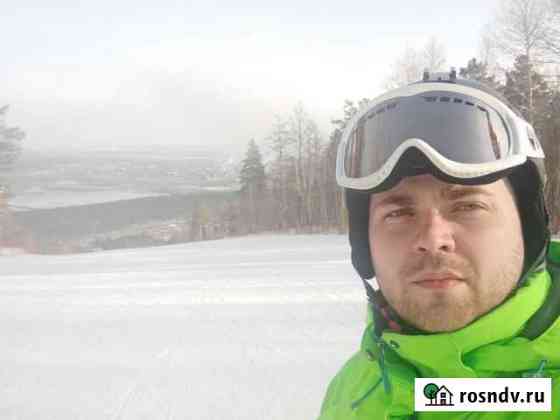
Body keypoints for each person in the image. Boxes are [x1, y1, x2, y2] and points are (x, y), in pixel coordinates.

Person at [318, 70, 560, 419]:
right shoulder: (353, 390)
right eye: (398, 213)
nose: (433, 240)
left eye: (468, 206)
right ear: (365, 244)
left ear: (527, 225)